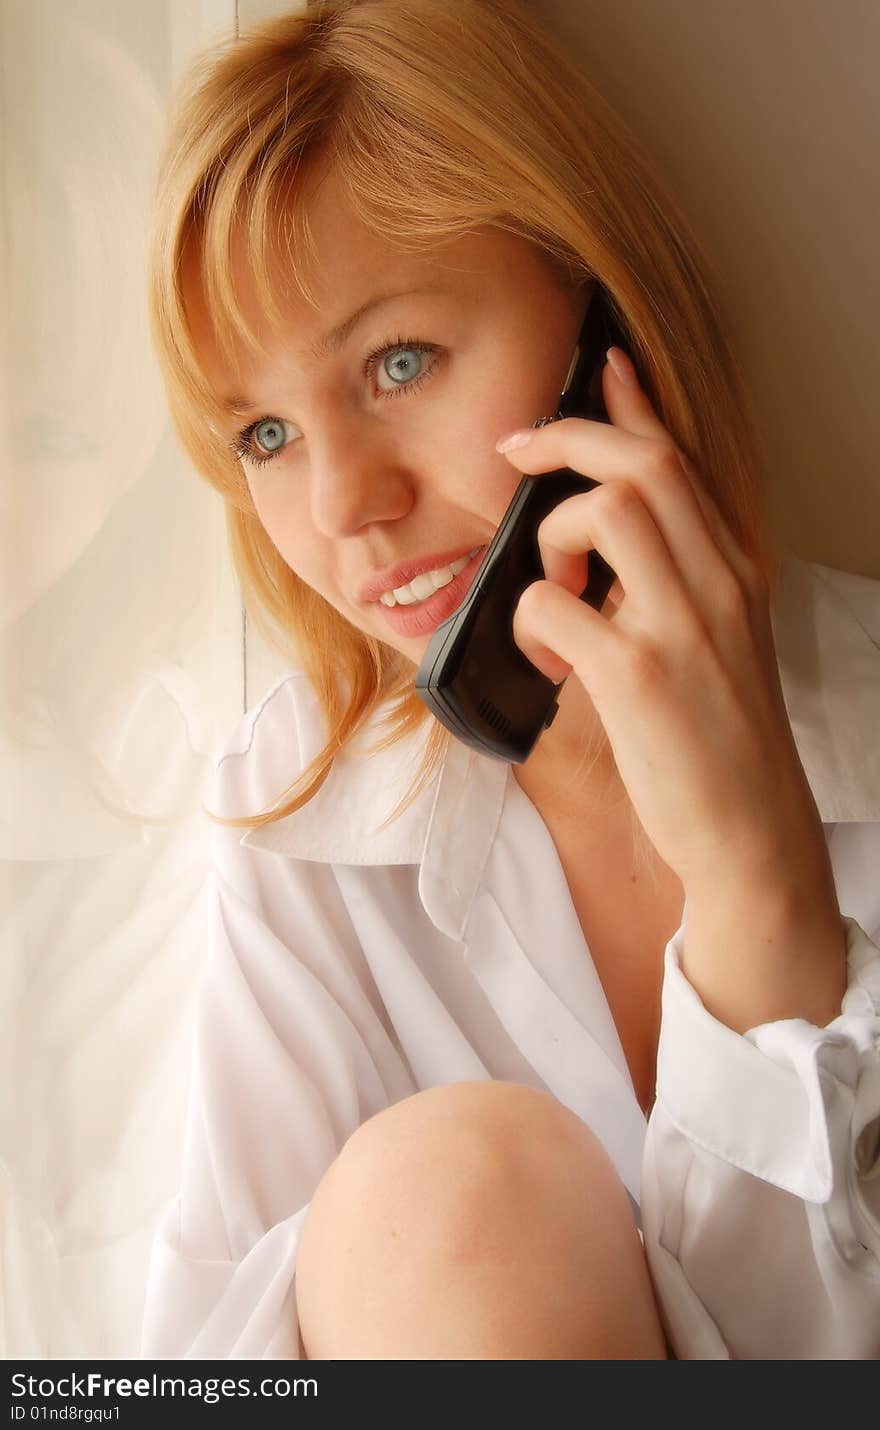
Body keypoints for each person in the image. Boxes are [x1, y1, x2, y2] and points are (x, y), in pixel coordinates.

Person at [140, 0, 880, 1359]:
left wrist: (764, 904)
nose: (343, 503)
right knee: (447, 1186)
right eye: (263, 432)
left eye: (399, 361)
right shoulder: (295, 804)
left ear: (606, 325)